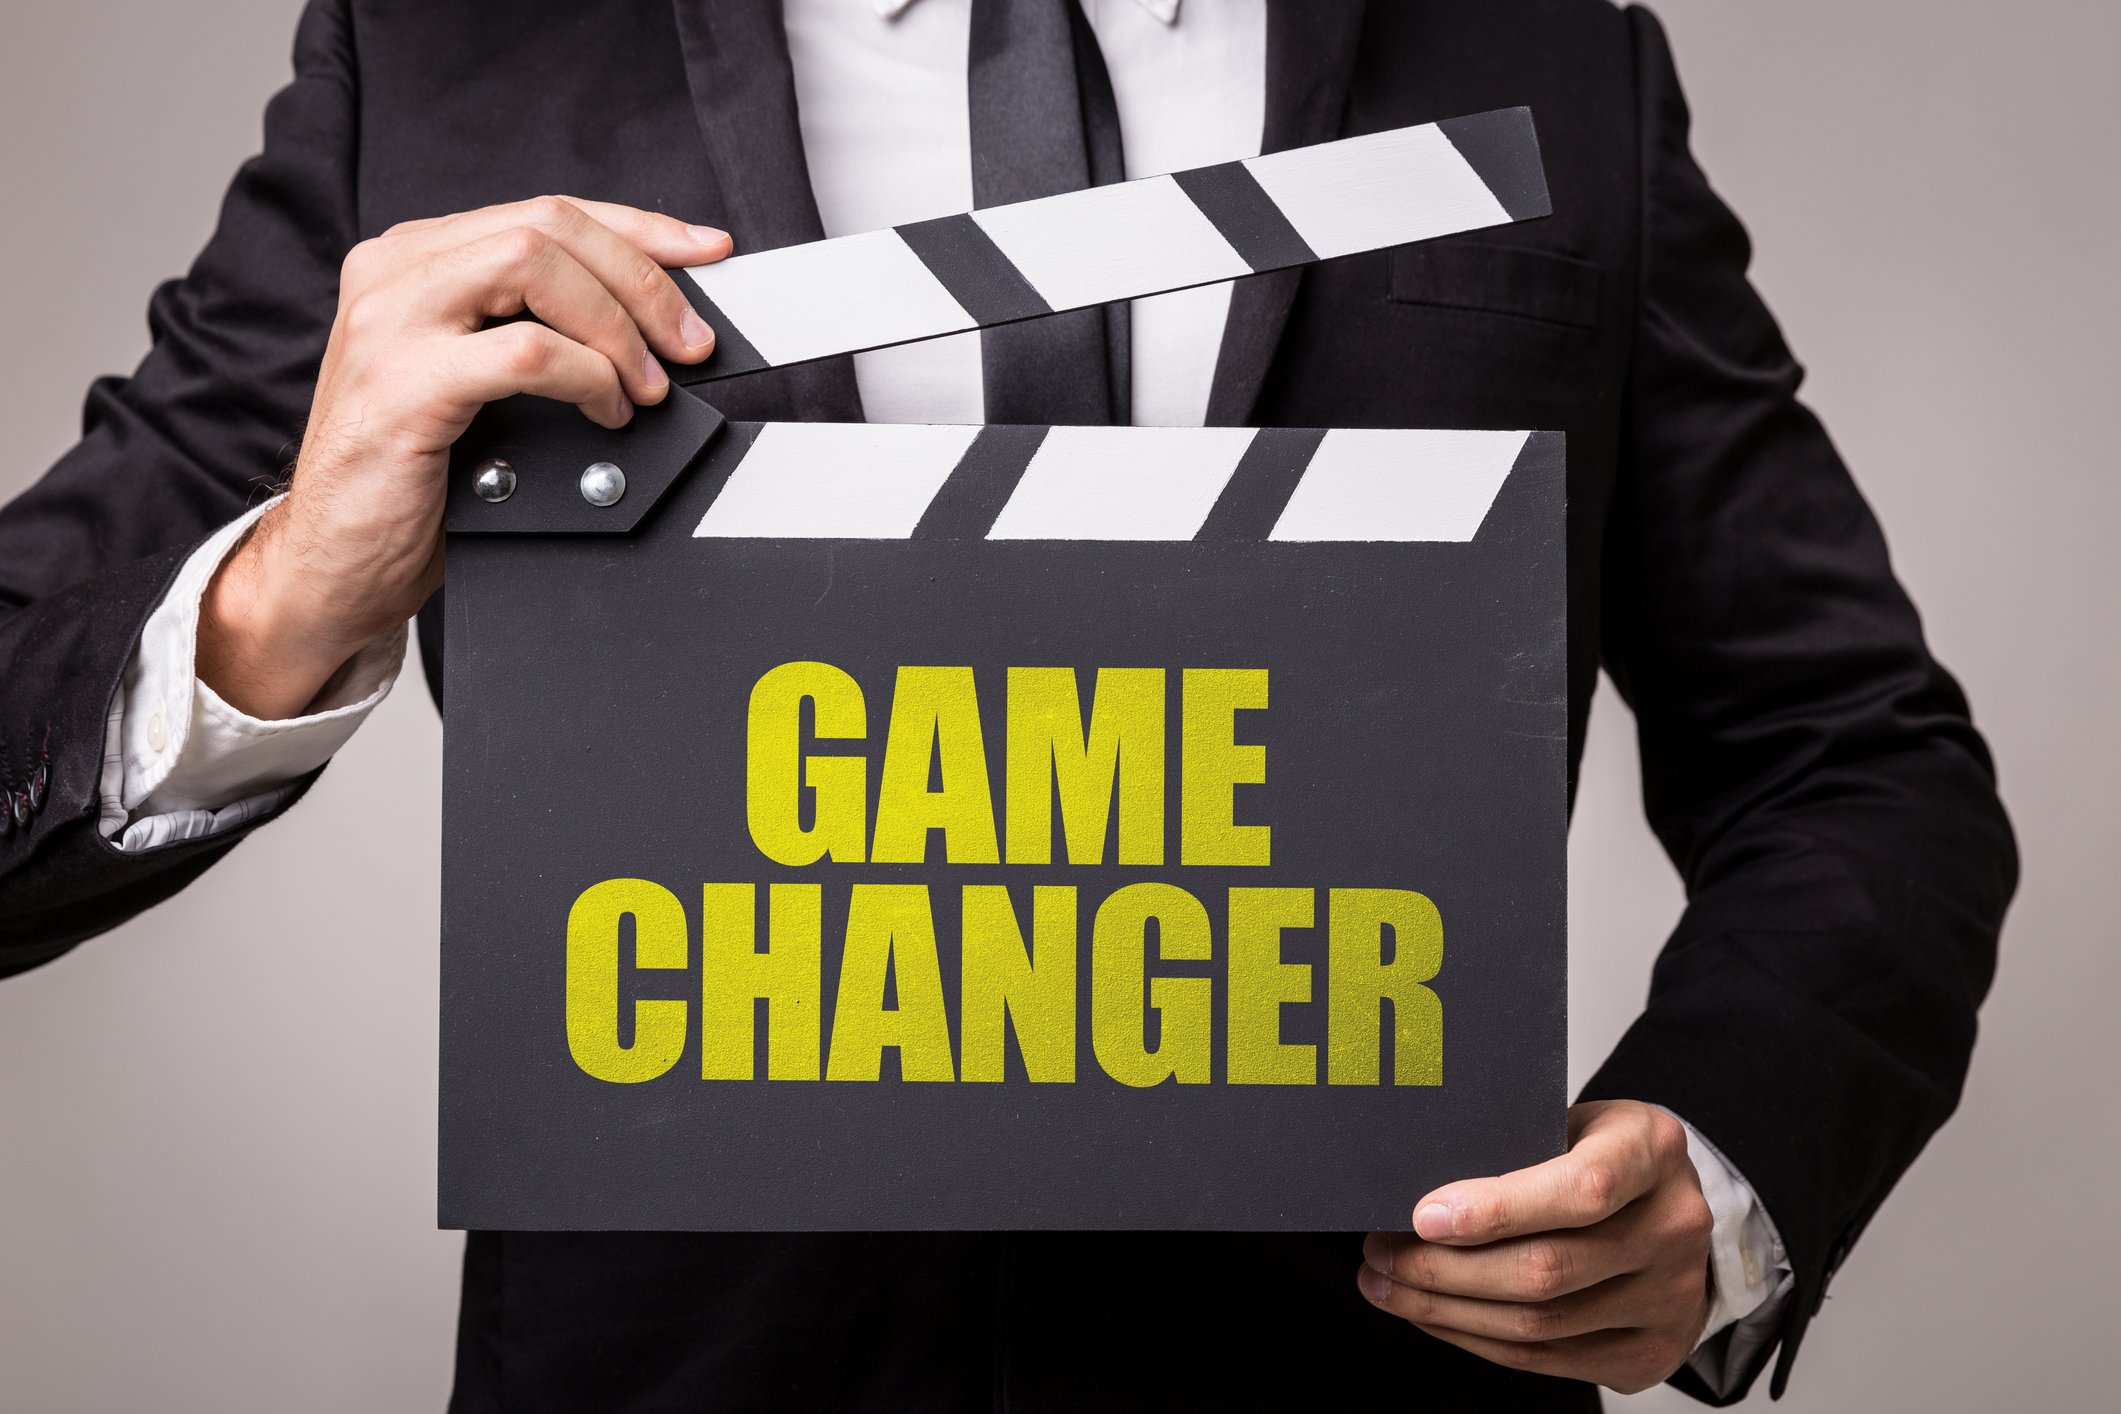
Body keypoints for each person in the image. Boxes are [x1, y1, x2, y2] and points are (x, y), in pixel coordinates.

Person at [0, 0, 2015, 1408]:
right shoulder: (456, 56)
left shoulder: (1539, 58)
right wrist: (275, 595)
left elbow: (1854, 754)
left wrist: (1715, 1167)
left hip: (1367, 1362)